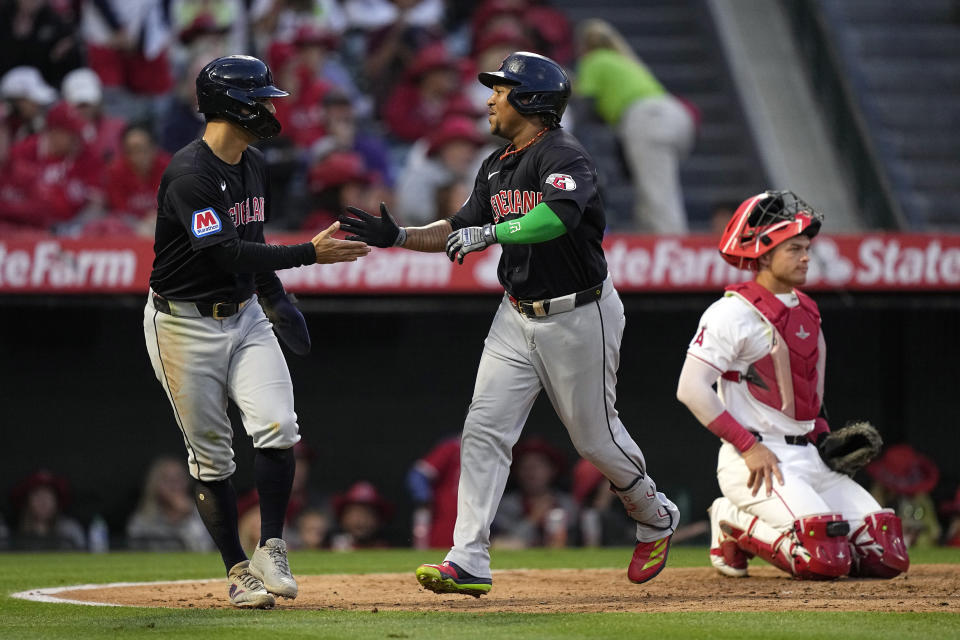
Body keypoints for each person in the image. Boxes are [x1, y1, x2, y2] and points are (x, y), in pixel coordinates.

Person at [340, 51, 679, 597]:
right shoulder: (496, 164)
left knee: (594, 439)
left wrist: (494, 234)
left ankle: (653, 511)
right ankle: (468, 557)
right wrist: (399, 237)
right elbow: (460, 227)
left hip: (578, 312)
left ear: (531, 100)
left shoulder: (565, 153)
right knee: (483, 430)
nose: (490, 97)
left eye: (501, 88)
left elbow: (556, 217)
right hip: (516, 313)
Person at [142, 54, 369, 609]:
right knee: (213, 458)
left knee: (278, 426)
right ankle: (237, 569)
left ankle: (270, 544)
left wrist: (274, 298)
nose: (270, 107)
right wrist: (309, 256)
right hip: (183, 325)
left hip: (243, 313)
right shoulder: (189, 173)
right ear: (231, 104)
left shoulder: (251, 162)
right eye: (261, 98)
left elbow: (252, 236)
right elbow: (223, 253)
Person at [675, 190, 910, 580]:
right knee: (823, 559)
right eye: (794, 249)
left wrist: (822, 438)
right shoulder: (732, 312)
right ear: (764, 255)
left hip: (810, 459)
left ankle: (781, 523)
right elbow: (690, 389)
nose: (806, 257)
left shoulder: (807, 309)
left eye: (807, 248)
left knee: (886, 551)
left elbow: (805, 393)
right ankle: (731, 521)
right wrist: (748, 448)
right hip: (757, 462)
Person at [575, 18, 696, 234]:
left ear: (583, 46)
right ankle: (655, 248)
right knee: (652, 191)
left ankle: (673, 253)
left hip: (648, 118)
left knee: (658, 197)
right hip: (676, 115)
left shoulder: (593, 61)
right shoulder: (625, 59)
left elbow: (586, 107)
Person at [492, 437, 578, 549]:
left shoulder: (568, 504)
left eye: (539, 466)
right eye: (525, 466)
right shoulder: (505, 506)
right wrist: (532, 519)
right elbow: (505, 544)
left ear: (553, 470)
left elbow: (582, 542)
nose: (531, 472)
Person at [126, 456, 214, 551]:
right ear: (154, 484)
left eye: (179, 478)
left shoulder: (201, 514)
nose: (174, 485)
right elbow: (134, 548)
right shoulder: (144, 518)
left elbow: (204, 549)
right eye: (167, 479)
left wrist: (188, 515)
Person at [9, 469, 86, 551]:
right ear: (28, 502)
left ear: (57, 502)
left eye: (49, 496)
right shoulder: (10, 532)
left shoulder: (70, 530)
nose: (43, 502)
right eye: (38, 496)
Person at [329, 481, 394, 550]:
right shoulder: (329, 548)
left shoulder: (387, 550)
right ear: (343, 517)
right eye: (355, 514)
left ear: (379, 520)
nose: (361, 521)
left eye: (368, 514)